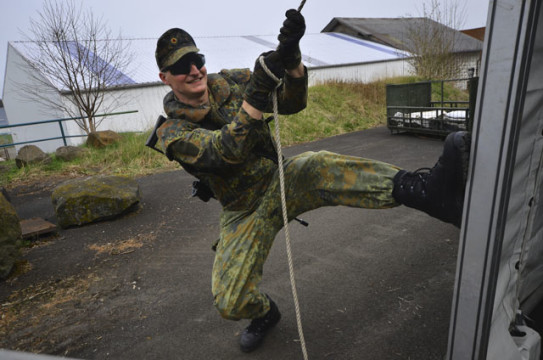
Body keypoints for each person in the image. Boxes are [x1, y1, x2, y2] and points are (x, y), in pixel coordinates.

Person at [150, 9, 470, 353]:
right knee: (229, 300)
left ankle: (428, 192)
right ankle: (264, 313)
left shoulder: (231, 82)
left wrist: (292, 61)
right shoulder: (170, 132)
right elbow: (225, 150)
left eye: (197, 59)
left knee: (318, 165)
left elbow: (292, 102)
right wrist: (258, 90)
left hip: (281, 181)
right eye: (182, 67)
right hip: (243, 211)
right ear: (164, 77)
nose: (195, 70)